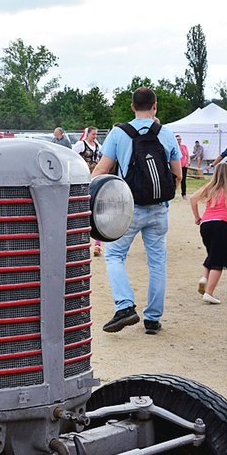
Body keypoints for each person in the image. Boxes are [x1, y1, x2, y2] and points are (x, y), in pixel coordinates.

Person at [92, 87, 182, 335]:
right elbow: (177, 175)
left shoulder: (118, 133)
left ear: (132, 106)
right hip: (159, 209)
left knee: (114, 256)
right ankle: (152, 319)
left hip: (128, 208)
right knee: (157, 263)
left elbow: (102, 170)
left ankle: (124, 305)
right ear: (155, 106)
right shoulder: (166, 133)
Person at [190, 162, 227, 304]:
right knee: (219, 260)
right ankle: (209, 292)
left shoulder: (210, 187)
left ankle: (204, 278)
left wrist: (197, 217)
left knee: (212, 253)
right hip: (223, 225)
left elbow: (193, 198)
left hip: (206, 224)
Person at [73, 127, 103, 255]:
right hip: (83, 179)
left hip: (94, 178)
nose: (95, 136)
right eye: (93, 134)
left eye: (96, 134)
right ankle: (83, 242)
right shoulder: (81, 145)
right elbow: (72, 157)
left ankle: (97, 244)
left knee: (96, 209)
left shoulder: (98, 146)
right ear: (88, 134)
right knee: (83, 208)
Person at [176, 134, 190, 198]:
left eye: (180, 139)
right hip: (177, 165)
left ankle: (184, 194)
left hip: (184, 165)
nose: (179, 140)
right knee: (175, 179)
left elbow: (187, 155)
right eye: (178, 139)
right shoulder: (175, 147)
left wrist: (188, 162)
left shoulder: (184, 146)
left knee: (183, 180)